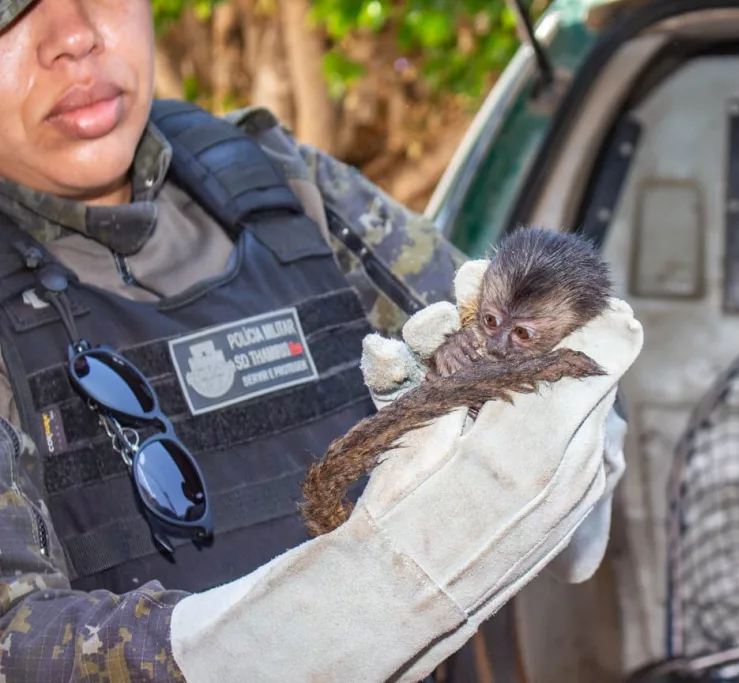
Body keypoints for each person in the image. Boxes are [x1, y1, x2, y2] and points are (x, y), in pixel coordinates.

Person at [0, 0, 643, 680]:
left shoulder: (280, 180)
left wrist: (576, 451)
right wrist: (249, 643)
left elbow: (542, 329)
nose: (74, 36)